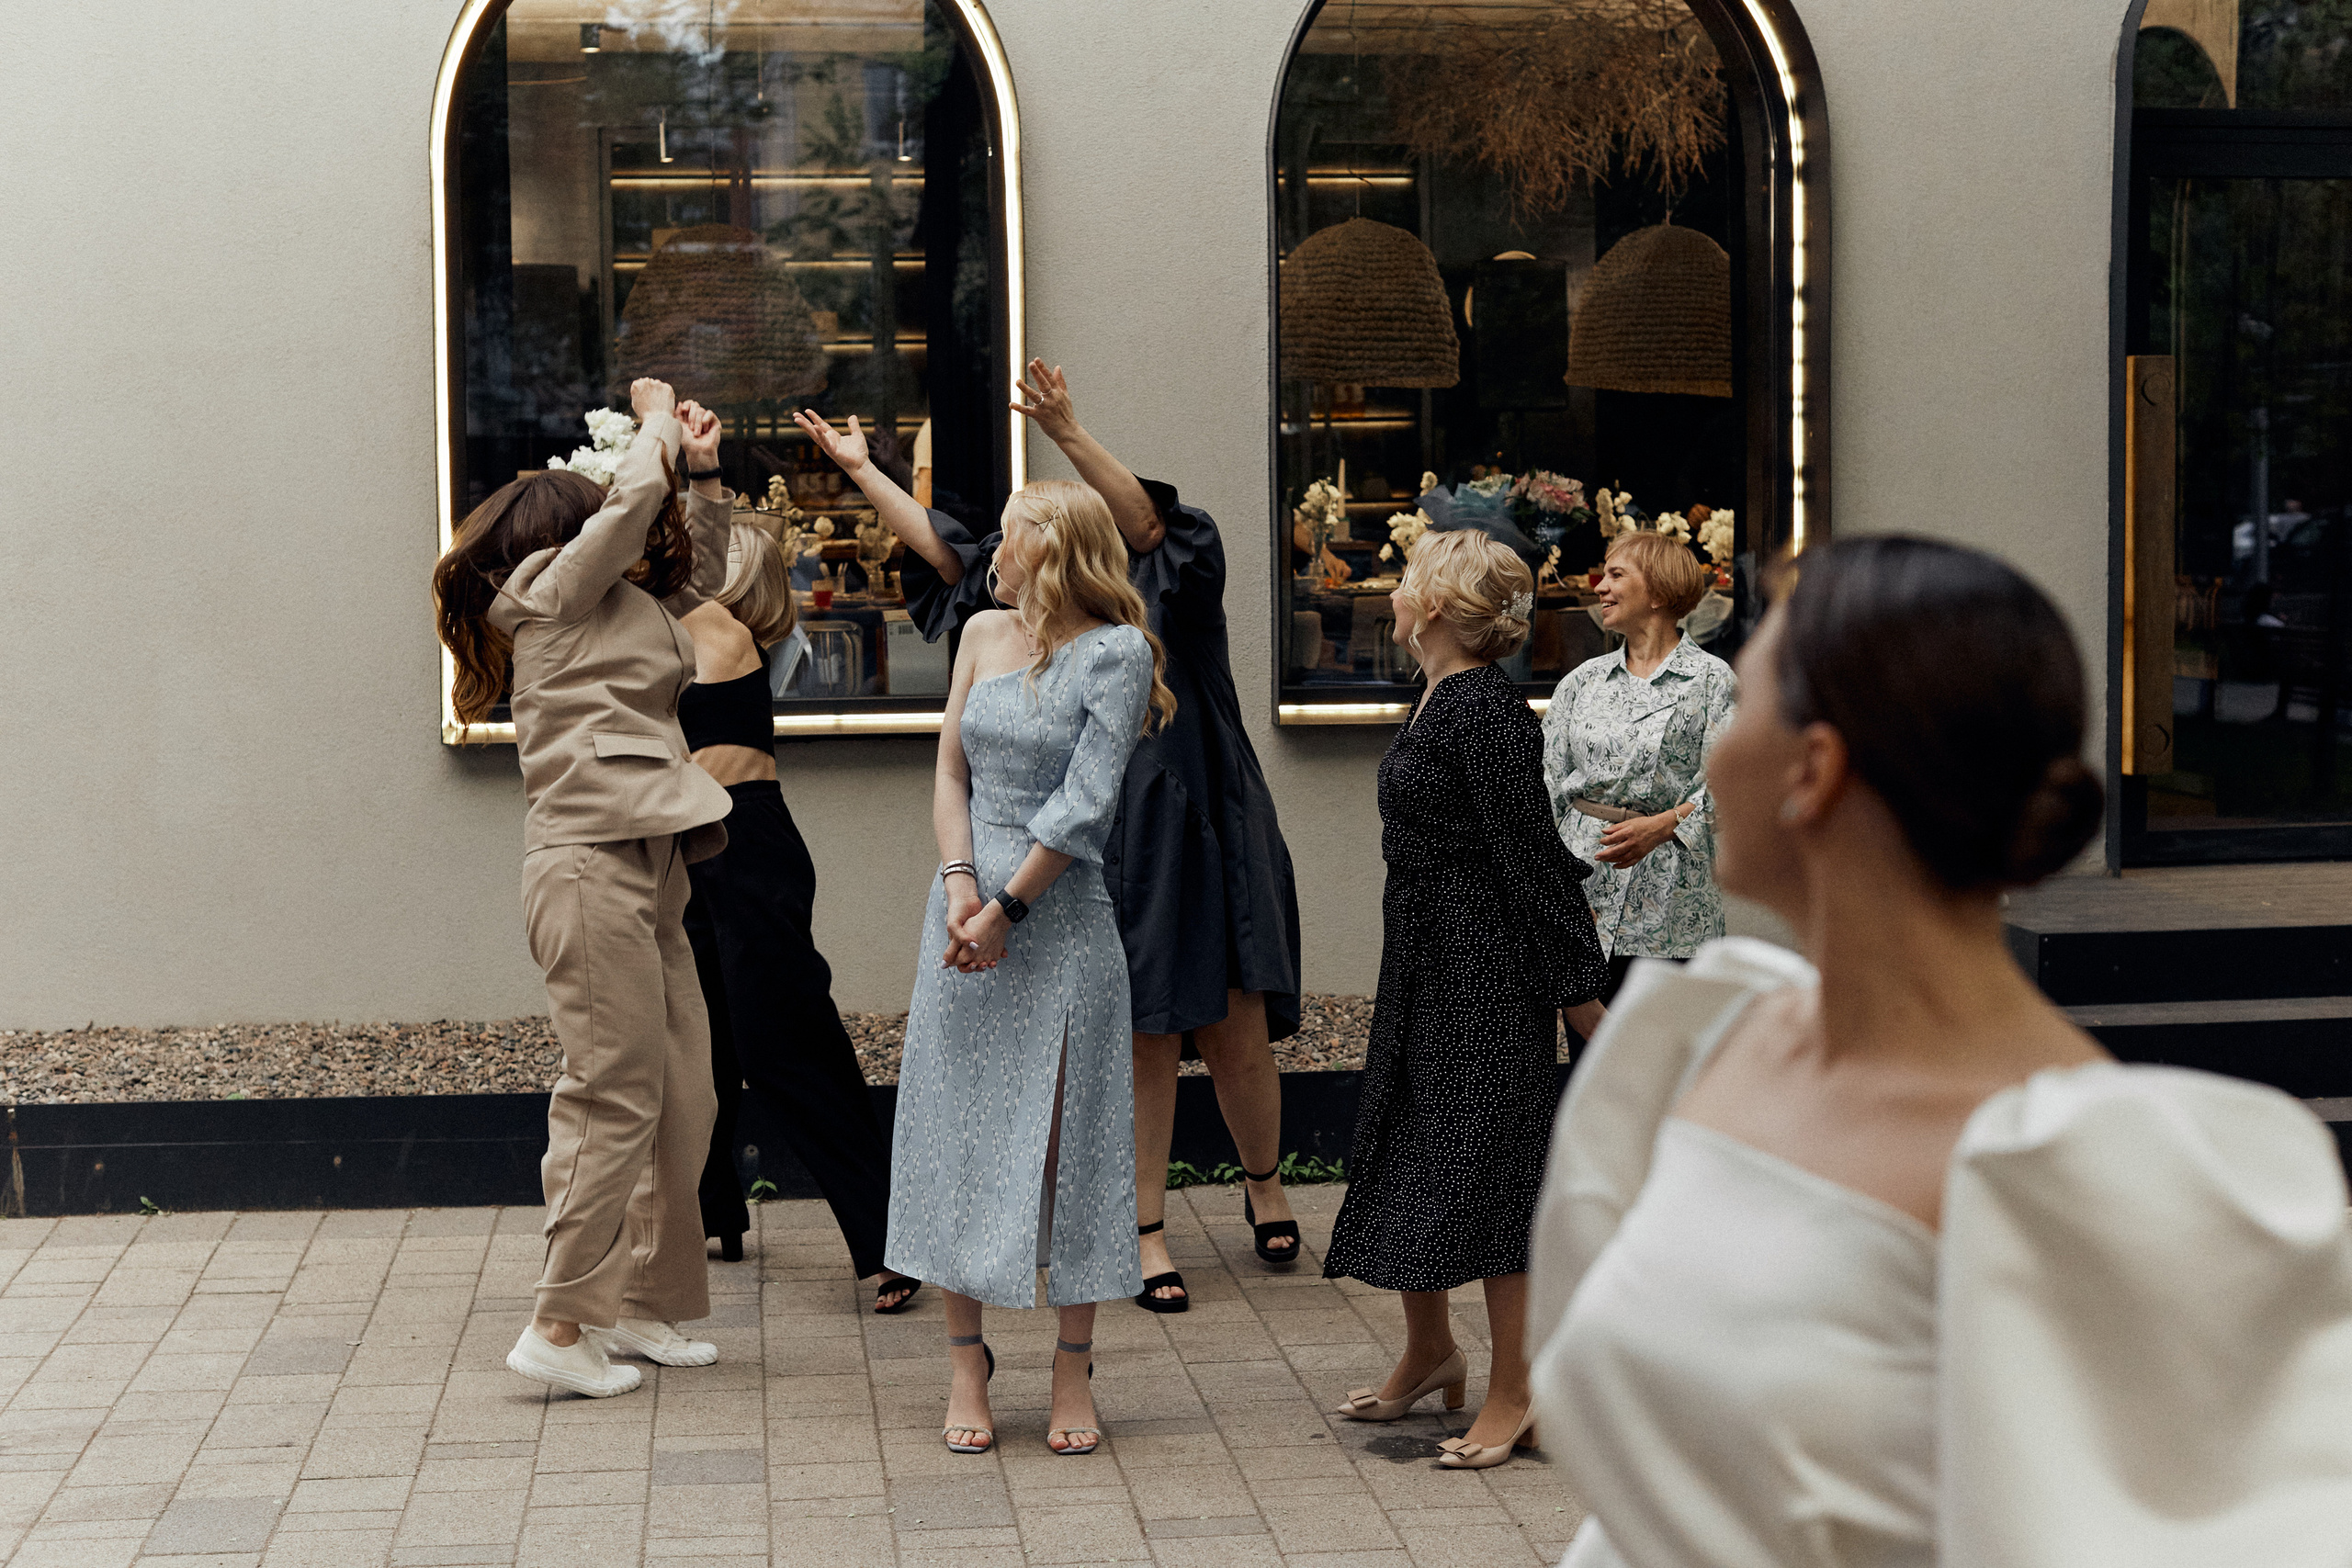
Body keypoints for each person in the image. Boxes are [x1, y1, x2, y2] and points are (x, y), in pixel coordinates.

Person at [1526, 536, 2352, 1567]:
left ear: (1813, 771)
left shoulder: (2077, 1169)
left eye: (1753, 701)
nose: (1719, 747)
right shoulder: (1708, 1035)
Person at [797, 363, 1306, 1314]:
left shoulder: (1165, 592)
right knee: (1146, 1028)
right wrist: (865, 472)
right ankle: (1145, 1228)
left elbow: (1148, 525)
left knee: (1232, 1022)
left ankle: (1264, 1179)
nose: (999, 539)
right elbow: (948, 558)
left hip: (1196, 817)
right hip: (1092, 843)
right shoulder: (1008, 624)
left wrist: (1066, 429)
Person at [431, 381, 732, 1398]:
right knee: (610, 1096)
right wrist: (651, 416)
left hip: (649, 864)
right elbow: (634, 494)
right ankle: (559, 1325)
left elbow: (731, 585)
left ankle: (637, 1303)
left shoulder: (621, 606)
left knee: (683, 1094)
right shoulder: (549, 597)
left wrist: (701, 468)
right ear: (567, 534)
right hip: (586, 861)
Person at [882, 477, 1175, 1458]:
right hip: (963, 911)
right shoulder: (977, 637)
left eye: (1003, 545)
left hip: (1057, 918)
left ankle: (1072, 1363)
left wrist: (1010, 908)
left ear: (1046, 553)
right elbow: (949, 768)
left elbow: (1087, 803)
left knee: (1070, 1138)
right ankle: (967, 1356)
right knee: (955, 1129)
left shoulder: (1117, 651)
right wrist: (962, 883)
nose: (990, 561)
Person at [1320, 529, 1611, 1471]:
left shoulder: (1487, 713)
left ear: (1436, 608)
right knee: (1414, 1150)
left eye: (1405, 581)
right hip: (1426, 963)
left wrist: (1583, 1006)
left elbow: (1535, 867)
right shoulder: (1442, 695)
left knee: (1490, 1180)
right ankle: (1430, 1351)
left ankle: (1517, 1390)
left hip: (1484, 975)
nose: (1392, 593)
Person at [673, 508, 922, 1314]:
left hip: (746, 853)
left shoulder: (720, 632)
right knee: (698, 1037)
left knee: (785, 1044)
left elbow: (668, 567)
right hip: (685, 852)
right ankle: (714, 1211)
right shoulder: (671, 635)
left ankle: (891, 1238)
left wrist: (679, 467)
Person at [1542, 530, 1737, 1001]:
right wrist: (1554, 888)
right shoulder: (1581, 682)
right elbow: (1544, 788)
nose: (1599, 587)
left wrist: (1666, 825)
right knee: (1588, 1053)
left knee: (1661, 1057)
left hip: (1671, 901)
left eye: (1615, 575)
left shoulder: (1712, 680)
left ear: (1658, 591)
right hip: (1582, 889)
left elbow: (1734, 789)